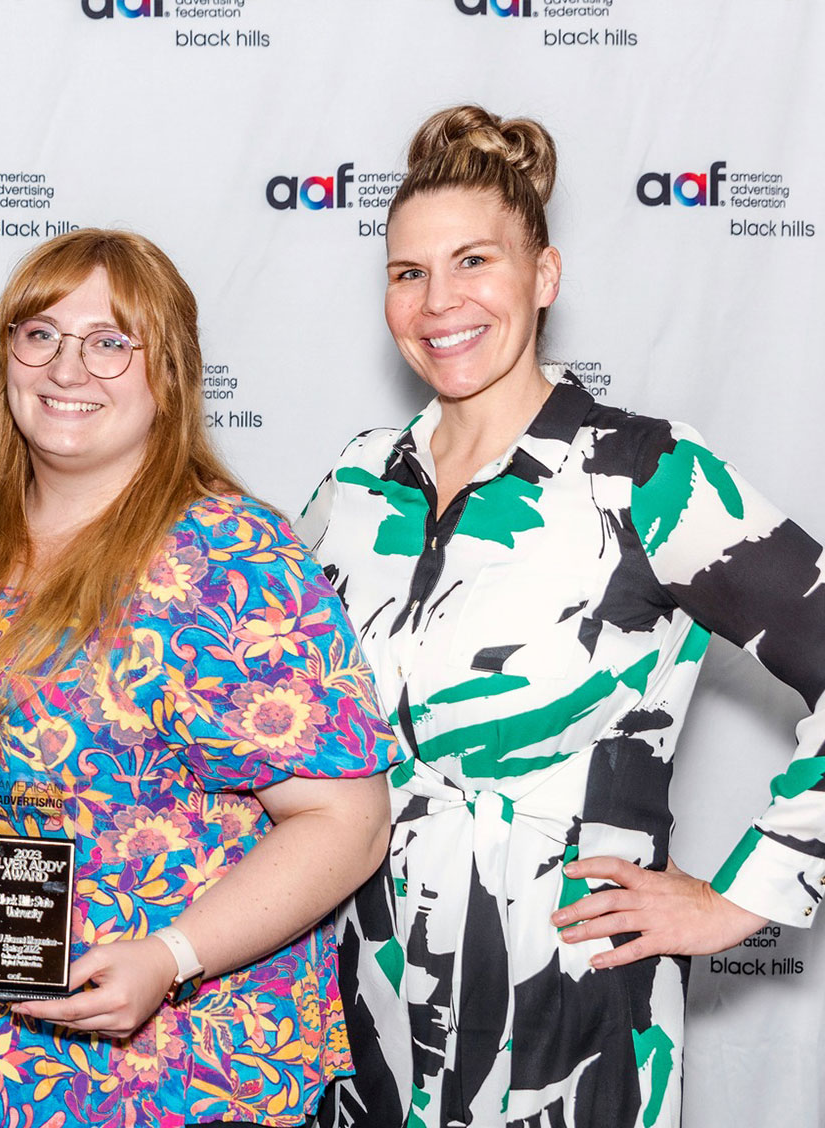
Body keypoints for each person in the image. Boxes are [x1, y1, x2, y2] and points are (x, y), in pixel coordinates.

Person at [301, 105, 825, 1128]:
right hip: (352, 1015)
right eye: (406, 273)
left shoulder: (644, 474)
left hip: (570, 1016)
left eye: (472, 262)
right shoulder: (351, 486)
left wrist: (742, 900)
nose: (438, 301)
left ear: (542, 277)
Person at [0, 227, 401, 1128]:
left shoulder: (230, 557)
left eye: (111, 342)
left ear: (171, 374)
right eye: (39, 334)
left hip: (160, 1079)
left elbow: (348, 822)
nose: (68, 367)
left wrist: (171, 955)